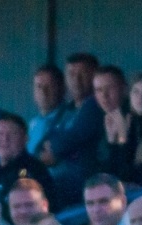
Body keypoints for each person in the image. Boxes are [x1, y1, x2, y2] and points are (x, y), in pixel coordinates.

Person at [40, 52, 104, 205]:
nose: (76, 79)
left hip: (82, 185)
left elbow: (76, 136)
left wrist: (55, 149)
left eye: (82, 74)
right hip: (58, 183)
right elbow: (42, 145)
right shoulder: (65, 109)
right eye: (71, 74)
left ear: (94, 75)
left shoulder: (96, 105)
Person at [0, 112, 55, 196]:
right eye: (0, 134)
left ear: (25, 139)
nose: (5, 139)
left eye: (12, 134)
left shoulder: (34, 170)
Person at [92, 65, 133, 178]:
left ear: (124, 89)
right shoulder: (96, 119)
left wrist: (122, 138)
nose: (104, 95)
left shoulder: (134, 119)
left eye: (110, 88)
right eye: (99, 90)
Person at [27, 63, 72, 162]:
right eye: (39, 87)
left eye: (49, 86)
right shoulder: (32, 124)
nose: (43, 92)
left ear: (62, 89)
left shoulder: (71, 118)